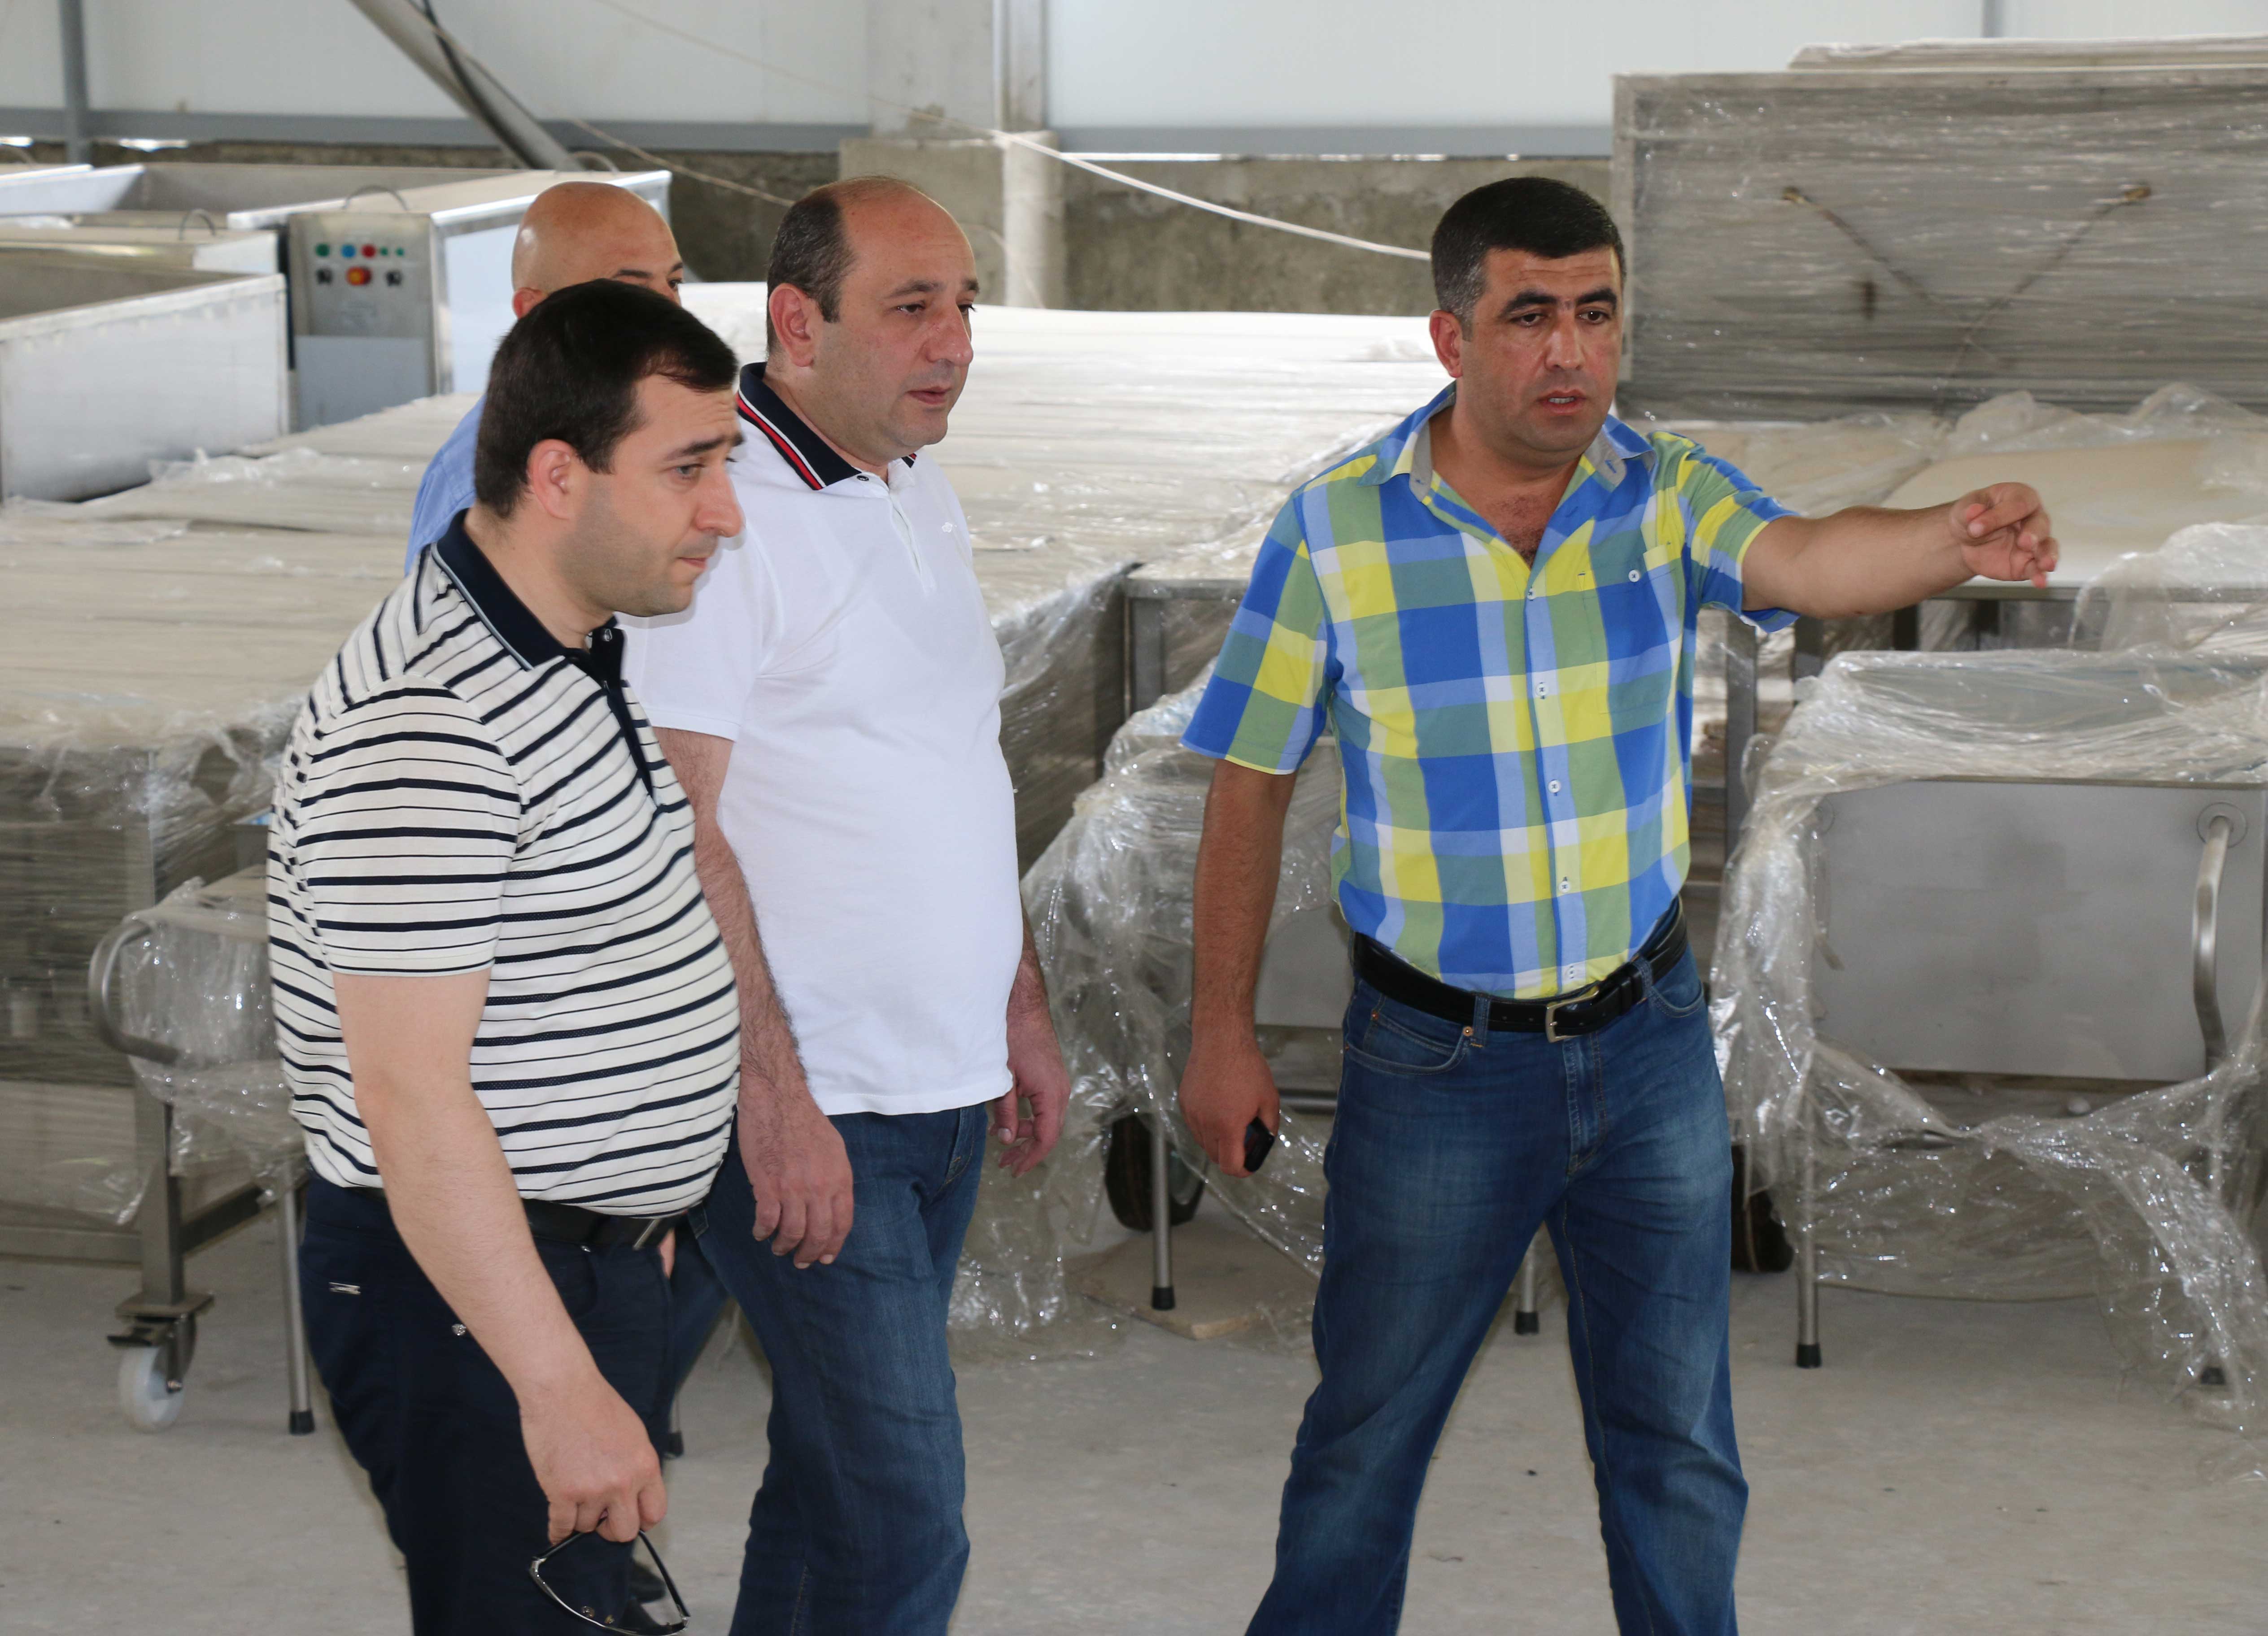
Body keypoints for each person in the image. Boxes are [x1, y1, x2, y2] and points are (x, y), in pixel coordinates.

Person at [1175, 176, 2058, 1636]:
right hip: (1438, 1063)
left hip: (1644, 1046)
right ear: (1451, 336)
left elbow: (1810, 559)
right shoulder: (1337, 530)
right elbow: (1248, 780)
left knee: (1675, 1442)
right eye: (1530, 316)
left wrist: (1952, 536)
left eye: (1595, 314)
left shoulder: (1663, 492)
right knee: (1366, 1437)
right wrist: (1220, 1029)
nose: (1569, 352)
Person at [623, 175, 1072, 1636]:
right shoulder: (725, 519)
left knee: (829, 1485)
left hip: (935, 1088)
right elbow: (673, 824)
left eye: (964, 307)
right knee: (902, 1517)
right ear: (798, 322)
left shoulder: (908, 480)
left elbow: (953, 763)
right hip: (817, 1108)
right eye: (911, 308)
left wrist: (1013, 1004)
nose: (952, 343)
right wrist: (768, 1096)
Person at [274, 280, 746, 1634]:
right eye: (688, 468)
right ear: (556, 476)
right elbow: (411, 1095)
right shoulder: (429, 721)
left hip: (566, 1264)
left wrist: (631, 1221)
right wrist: (554, 1377)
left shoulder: (561, 650)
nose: (725, 511)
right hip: (471, 1296)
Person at [406, 180, 688, 570]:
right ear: (537, 313)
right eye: (630, 292)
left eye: (674, 283)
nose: (673, 314)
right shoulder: (490, 497)